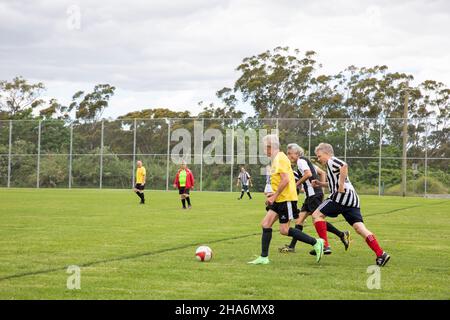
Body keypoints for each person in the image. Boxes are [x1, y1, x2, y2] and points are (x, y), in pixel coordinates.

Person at [248, 134, 324, 265]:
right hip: (280, 198)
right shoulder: (278, 158)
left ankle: (316, 242)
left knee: (284, 230)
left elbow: (285, 179)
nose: (264, 151)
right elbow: (280, 180)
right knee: (265, 224)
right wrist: (272, 195)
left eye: (264, 148)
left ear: (269, 147)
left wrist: (274, 196)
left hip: (286, 199)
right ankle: (264, 257)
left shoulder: (280, 159)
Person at [311, 143, 391, 267]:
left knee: (316, 215)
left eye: (319, 156)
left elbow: (344, 165)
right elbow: (334, 183)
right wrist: (320, 184)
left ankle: (325, 245)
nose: (318, 159)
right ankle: (381, 254)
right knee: (360, 228)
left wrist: (341, 186)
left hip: (341, 197)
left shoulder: (331, 161)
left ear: (326, 153)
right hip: (352, 199)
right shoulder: (330, 166)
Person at [279, 143, 350, 255]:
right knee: (299, 220)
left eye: (289, 153)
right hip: (311, 196)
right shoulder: (305, 161)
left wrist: (297, 184)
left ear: (297, 153)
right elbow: (322, 172)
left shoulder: (301, 161)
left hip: (313, 196)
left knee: (317, 219)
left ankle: (334, 240)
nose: (288, 156)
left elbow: (308, 174)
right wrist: (320, 189)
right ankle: (292, 246)